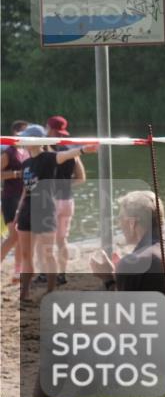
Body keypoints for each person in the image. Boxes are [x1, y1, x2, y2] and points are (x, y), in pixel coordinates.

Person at [89, 191, 165, 366]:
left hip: (151, 365)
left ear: (132, 223)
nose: (119, 224)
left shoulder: (135, 263)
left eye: (120, 219)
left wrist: (108, 280)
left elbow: (123, 327)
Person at [13, 125, 97, 300]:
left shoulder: (49, 158)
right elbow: (25, 190)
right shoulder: (26, 162)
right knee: (26, 255)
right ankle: (24, 293)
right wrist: (18, 212)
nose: (23, 141)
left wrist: (83, 149)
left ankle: (51, 291)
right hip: (27, 210)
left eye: (26, 138)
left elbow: (66, 155)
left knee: (47, 253)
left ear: (37, 141)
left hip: (44, 210)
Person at [44, 115, 85, 287]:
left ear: (51, 130)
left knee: (46, 240)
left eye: (46, 127)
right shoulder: (72, 151)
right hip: (67, 200)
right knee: (62, 240)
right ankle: (62, 273)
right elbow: (81, 178)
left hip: (50, 200)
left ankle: (46, 275)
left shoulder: (45, 150)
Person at [1, 120, 29, 280]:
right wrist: (16, 174)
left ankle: (18, 271)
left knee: (21, 236)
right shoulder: (9, 152)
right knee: (14, 236)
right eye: (23, 133)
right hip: (10, 197)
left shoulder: (26, 151)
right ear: (15, 133)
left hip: (24, 197)